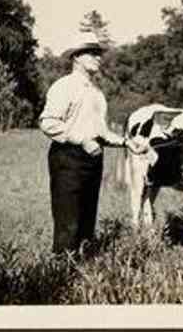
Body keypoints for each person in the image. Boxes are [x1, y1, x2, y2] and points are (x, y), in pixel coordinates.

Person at [39, 39, 145, 255]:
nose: (98, 58)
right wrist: (81, 140)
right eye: (91, 53)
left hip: (94, 158)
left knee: (87, 223)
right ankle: (62, 270)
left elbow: (101, 133)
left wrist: (126, 142)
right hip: (68, 158)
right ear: (76, 57)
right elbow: (48, 122)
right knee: (68, 223)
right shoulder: (64, 86)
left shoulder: (97, 93)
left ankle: (84, 268)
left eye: (99, 53)